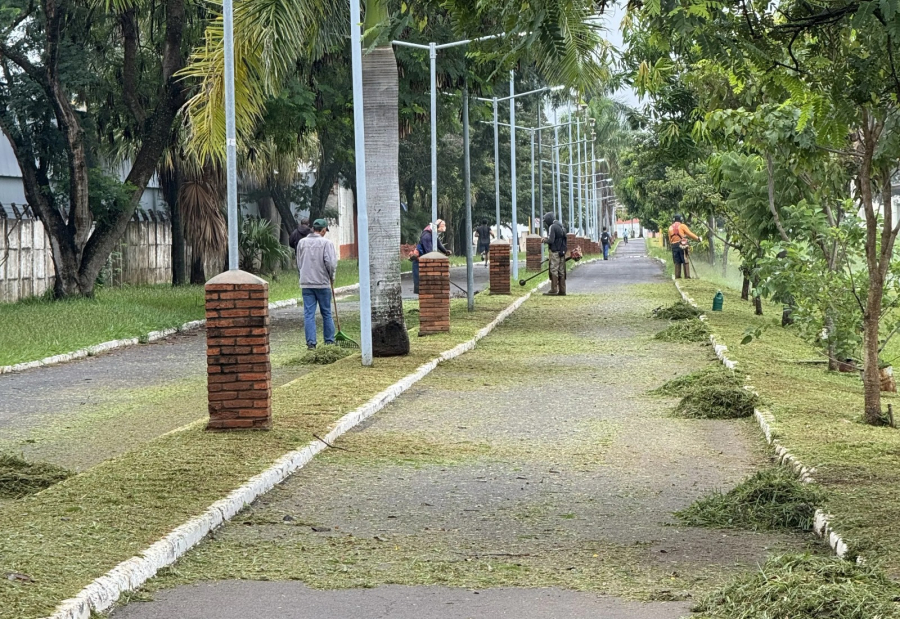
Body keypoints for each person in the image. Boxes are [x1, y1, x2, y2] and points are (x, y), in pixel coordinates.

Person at [296, 218, 337, 349]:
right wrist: (332, 277)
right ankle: (329, 341)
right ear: (323, 230)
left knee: (309, 314)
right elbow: (330, 263)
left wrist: (303, 275)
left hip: (306, 283)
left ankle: (311, 343)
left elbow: (299, 262)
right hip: (322, 283)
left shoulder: (301, 243)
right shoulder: (327, 243)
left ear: (313, 229)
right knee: (326, 313)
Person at [412, 219, 450, 294]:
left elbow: (438, 243)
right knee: (421, 283)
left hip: (424, 259)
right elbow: (429, 252)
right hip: (419, 261)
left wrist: (445, 251)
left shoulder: (432, 233)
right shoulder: (427, 236)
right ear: (437, 227)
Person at [541, 212, 567, 296]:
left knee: (554, 270)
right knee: (561, 271)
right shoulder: (561, 226)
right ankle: (562, 290)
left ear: (549, 219)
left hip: (555, 252)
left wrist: (544, 240)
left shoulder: (552, 226)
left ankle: (554, 289)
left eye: (546, 221)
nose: (546, 223)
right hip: (562, 251)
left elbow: (551, 240)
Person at [668, 214, 701, 279]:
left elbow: (670, 240)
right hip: (682, 245)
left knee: (677, 262)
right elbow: (690, 234)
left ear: (674, 220)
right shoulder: (682, 226)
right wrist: (698, 238)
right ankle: (687, 277)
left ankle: (677, 277)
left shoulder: (670, 227)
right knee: (685, 260)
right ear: (681, 219)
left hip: (674, 246)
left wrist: (674, 244)